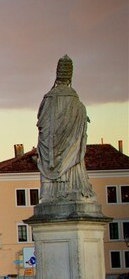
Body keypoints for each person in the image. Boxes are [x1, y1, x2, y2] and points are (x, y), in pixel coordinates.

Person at [36, 55, 96, 206]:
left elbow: (42, 124)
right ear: (70, 77)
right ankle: (69, 187)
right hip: (71, 151)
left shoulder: (48, 98)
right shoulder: (77, 102)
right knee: (72, 162)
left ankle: (55, 191)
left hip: (51, 149)